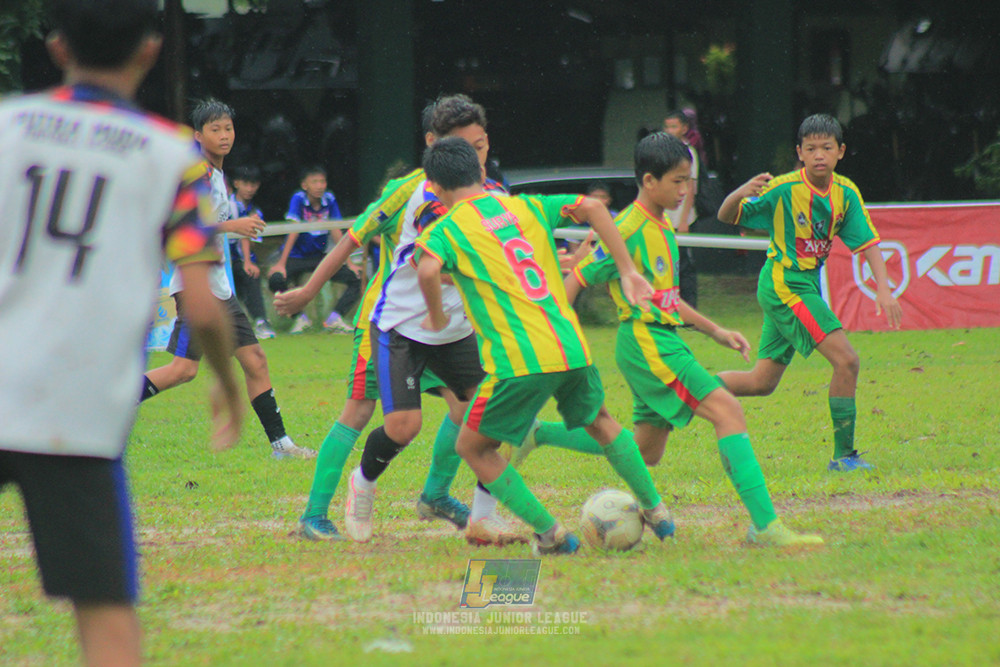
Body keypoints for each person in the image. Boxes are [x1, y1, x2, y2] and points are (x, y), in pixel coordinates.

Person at [0, 2, 243, 665]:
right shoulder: (172, 158)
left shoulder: (6, 127)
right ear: (149, 50)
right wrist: (226, 381)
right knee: (106, 621)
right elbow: (199, 306)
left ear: (55, 48)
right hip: (73, 411)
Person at [531, 132, 822, 547]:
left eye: (688, 180)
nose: (685, 190)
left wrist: (715, 330)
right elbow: (578, 276)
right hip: (647, 344)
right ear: (649, 181)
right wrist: (558, 332)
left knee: (644, 450)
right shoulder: (627, 229)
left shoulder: (661, 224)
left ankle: (538, 433)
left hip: (656, 340)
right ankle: (765, 526)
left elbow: (666, 298)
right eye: (677, 181)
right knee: (727, 410)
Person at [415, 137, 675, 555]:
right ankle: (656, 509)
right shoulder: (525, 207)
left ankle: (551, 534)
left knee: (472, 446)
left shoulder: (446, 228)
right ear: (481, 175)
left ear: (434, 188)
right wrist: (626, 270)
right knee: (602, 421)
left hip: (519, 358)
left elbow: (427, 267)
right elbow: (592, 207)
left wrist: (438, 316)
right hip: (570, 344)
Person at [340, 95, 519, 546]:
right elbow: (433, 268)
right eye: (463, 149)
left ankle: (482, 519)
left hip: (454, 333)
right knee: (404, 426)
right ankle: (362, 482)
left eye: (479, 147)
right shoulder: (429, 198)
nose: (473, 159)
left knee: (487, 421)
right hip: (402, 327)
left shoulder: (496, 197)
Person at [716, 113, 903, 471]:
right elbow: (728, 215)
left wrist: (884, 289)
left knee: (761, 382)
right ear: (799, 152)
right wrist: (740, 192)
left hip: (803, 285)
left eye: (827, 148)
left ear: (841, 152)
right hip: (784, 284)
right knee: (847, 360)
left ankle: (687, 391)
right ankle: (844, 457)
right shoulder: (784, 188)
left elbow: (868, 243)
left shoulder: (845, 194)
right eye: (812, 148)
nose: (819, 155)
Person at [140, 98, 315, 461]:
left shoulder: (217, 175)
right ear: (199, 134)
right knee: (183, 370)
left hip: (220, 289)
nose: (224, 135)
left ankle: (282, 447)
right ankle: (109, 404)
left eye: (228, 128)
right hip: (196, 287)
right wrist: (231, 226)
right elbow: (172, 224)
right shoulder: (197, 174)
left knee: (255, 361)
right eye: (215, 129)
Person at [267, 166, 360, 334]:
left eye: (322, 181)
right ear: (305, 185)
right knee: (276, 279)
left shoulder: (329, 199)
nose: (319, 186)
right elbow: (293, 231)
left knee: (356, 277)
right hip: (297, 257)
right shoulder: (298, 199)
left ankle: (335, 318)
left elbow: (336, 230)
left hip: (319, 256)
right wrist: (281, 263)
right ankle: (299, 318)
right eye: (314, 182)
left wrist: (349, 262)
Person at [227, 164, 275, 339]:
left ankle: (261, 322)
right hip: (223, 258)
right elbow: (243, 234)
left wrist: (248, 261)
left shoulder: (255, 211)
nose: (250, 189)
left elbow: (250, 240)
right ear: (236, 183)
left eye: (253, 185)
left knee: (251, 275)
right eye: (246, 184)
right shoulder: (228, 204)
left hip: (239, 260)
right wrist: (247, 261)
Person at [663, 109, 699, 307]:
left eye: (674, 126)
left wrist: (684, 220)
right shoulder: (662, 152)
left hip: (680, 219)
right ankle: (669, 304)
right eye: (667, 126)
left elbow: (691, 187)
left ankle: (689, 307)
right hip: (664, 218)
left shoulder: (689, 153)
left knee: (684, 264)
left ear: (685, 128)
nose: (670, 130)